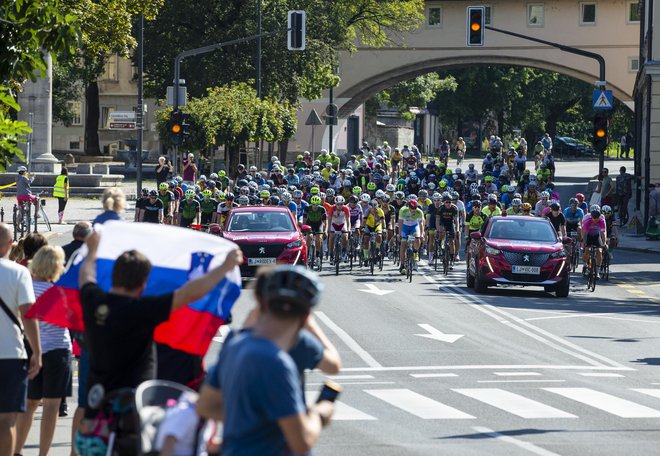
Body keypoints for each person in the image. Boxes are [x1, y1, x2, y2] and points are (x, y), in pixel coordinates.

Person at [77, 232, 242, 420]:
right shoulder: (142, 310)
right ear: (143, 284)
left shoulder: (94, 301)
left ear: (113, 275)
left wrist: (92, 251)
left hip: (95, 412)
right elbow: (187, 294)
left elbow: (86, 275)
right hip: (131, 413)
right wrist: (224, 268)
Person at [196, 266, 335, 456]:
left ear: (265, 305)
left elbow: (206, 405)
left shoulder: (235, 343)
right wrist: (319, 414)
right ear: (305, 318)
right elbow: (301, 442)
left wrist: (255, 422)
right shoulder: (277, 363)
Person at [15, 246, 70, 456]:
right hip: (57, 350)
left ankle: (18, 450)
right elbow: (69, 321)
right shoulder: (59, 292)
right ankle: (43, 453)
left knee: (29, 404)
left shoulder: (26, 288)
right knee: (51, 407)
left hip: (31, 348)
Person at [0, 223, 41, 456]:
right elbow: (28, 315)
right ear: (10, 245)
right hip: (10, 353)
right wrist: (37, 351)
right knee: (7, 418)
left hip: (10, 354)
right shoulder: (19, 272)